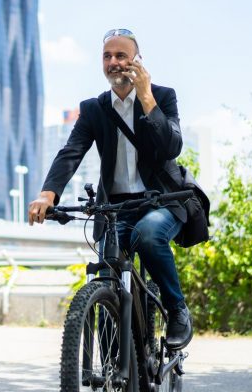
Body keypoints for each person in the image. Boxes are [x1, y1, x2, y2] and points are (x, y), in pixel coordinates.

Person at [27, 28, 193, 348]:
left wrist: (146, 97)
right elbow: (71, 151)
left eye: (121, 55)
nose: (114, 62)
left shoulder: (162, 96)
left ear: (137, 60)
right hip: (115, 208)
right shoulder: (94, 108)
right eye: (107, 56)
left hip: (161, 201)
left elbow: (171, 147)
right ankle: (113, 389)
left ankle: (177, 309)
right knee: (108, 281)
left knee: (148, 234)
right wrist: (48, 194)